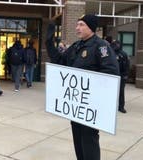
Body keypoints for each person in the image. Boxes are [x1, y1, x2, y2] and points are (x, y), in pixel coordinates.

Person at [46, 14, 119, 160]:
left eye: (81, 25)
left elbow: (111, 72)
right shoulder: (76, 46)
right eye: (77, 24)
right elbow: (60, 61)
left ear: (91, 28)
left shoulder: (101, 46)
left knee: (89, 140)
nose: (77, 28)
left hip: (91, 106)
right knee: (78, 140)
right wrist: (49, 42)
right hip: (77, 106)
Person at [111, 40, 130, 113]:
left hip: (122, 75)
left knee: (121, 92)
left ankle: (121, 107)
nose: (116, 46)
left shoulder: (123, 54)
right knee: (112, 92)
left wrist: (126, 75)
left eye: (117, 44)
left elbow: (127, 65)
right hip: (113, 75)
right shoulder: (111, 53)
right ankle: (112, 106)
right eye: (114, 44)